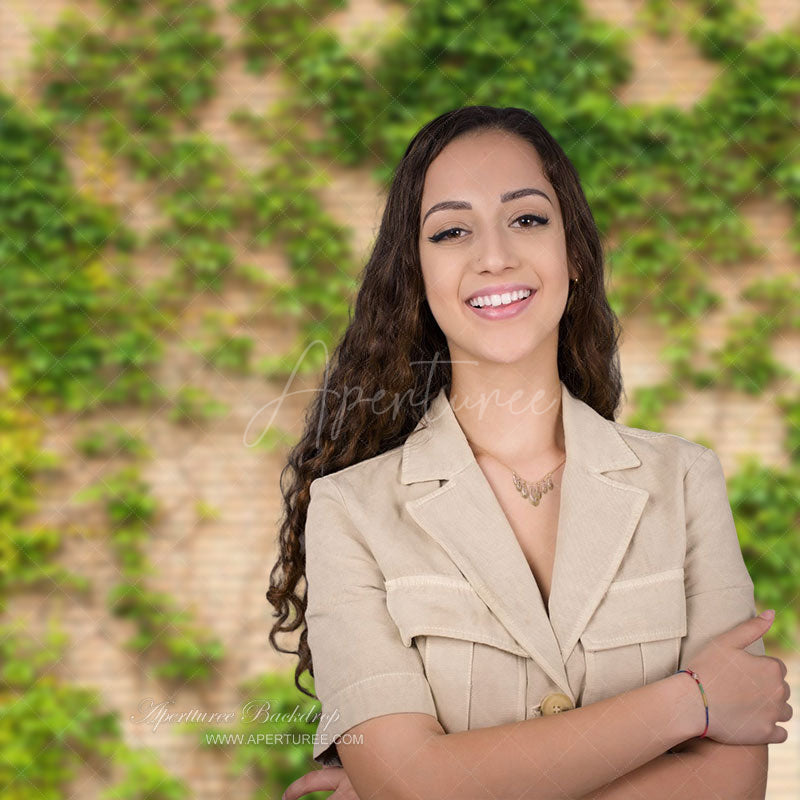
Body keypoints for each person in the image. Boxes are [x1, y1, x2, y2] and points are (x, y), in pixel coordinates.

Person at [269, 106, 792, 800]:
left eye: (527, 219)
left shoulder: (685, 481)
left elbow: (728, 788)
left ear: (572, 252)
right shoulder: (350, 512)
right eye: (452, 231)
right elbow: (411, 786)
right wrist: (690, 703)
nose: (495, 256)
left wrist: (440, 783)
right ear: (417, 276)